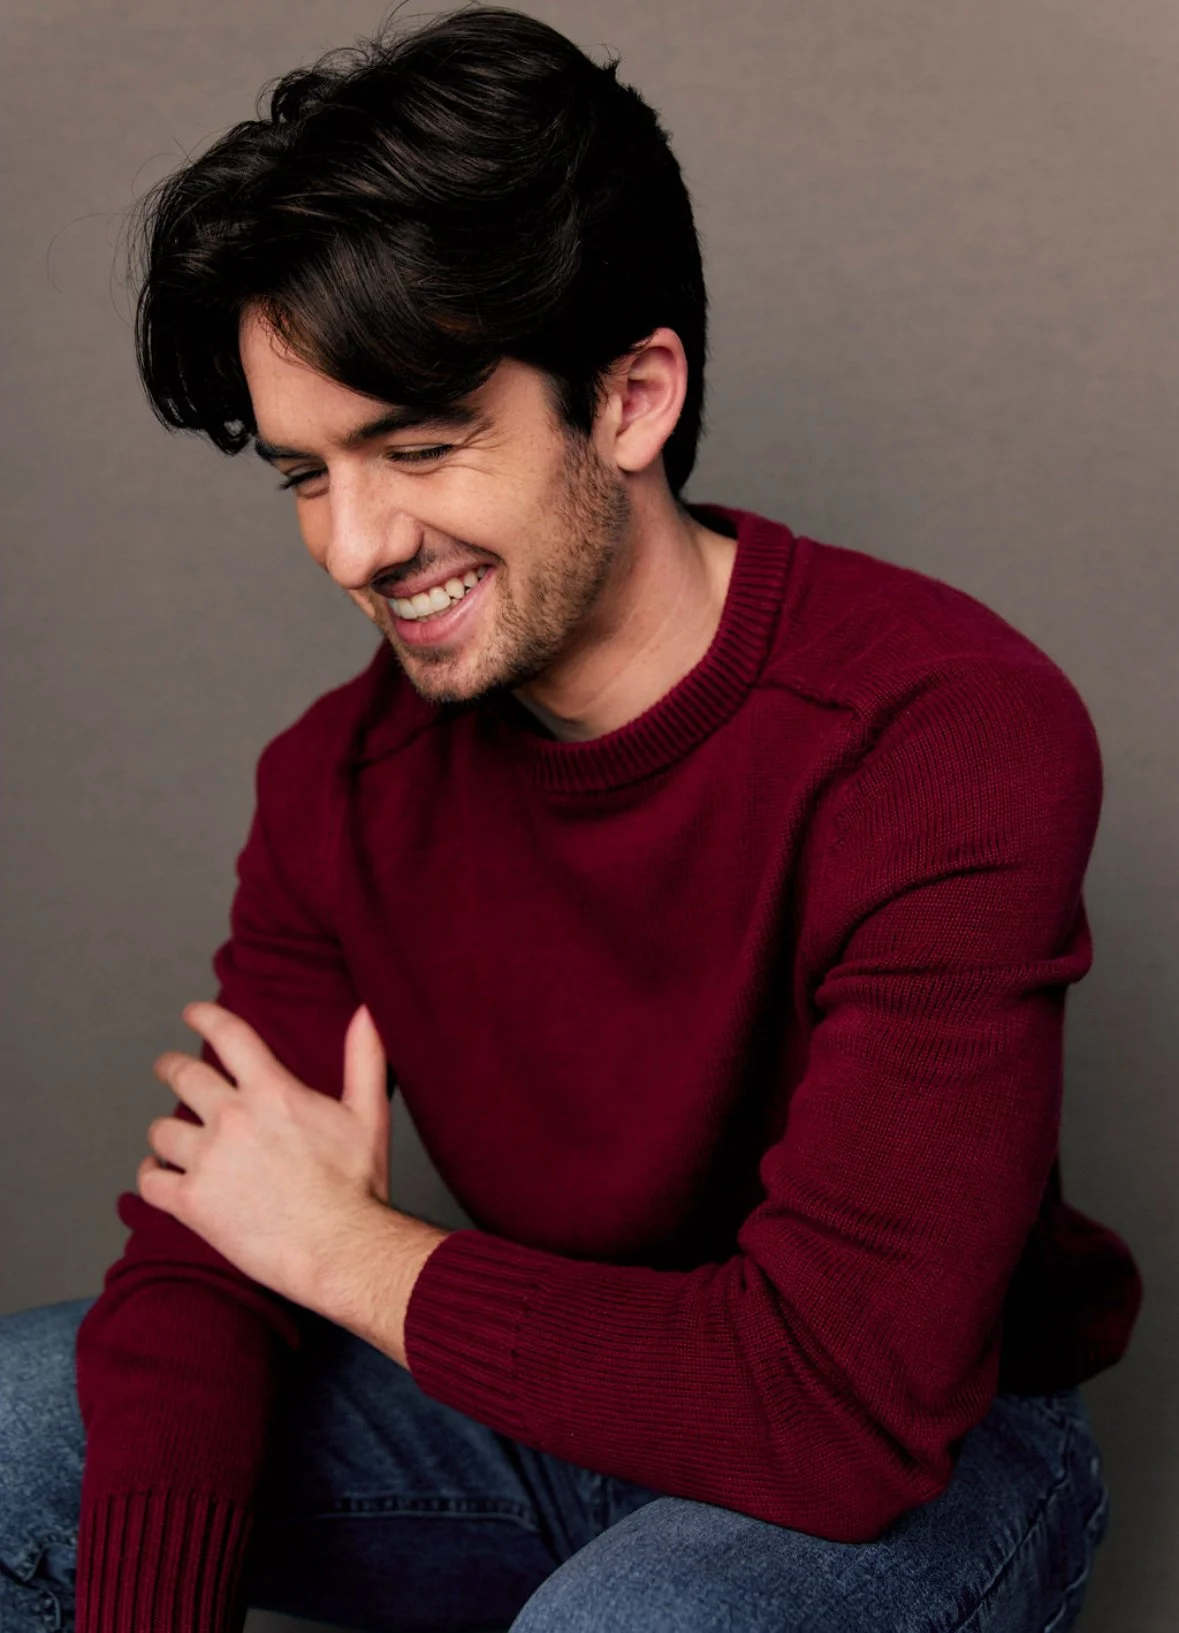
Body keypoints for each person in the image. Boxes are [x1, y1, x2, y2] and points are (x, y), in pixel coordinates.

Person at [0, 7, 1144, 1631]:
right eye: (304, 472)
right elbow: (204, 1267)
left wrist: (342, 1251)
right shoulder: (338, 781)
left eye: (417, 447)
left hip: (923, 1461)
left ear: (629, 399)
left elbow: (839, 1403)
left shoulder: (939, 732)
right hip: (538, 1402)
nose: (354, 546)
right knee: (18, 1427)